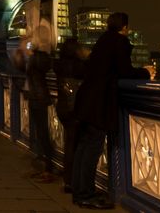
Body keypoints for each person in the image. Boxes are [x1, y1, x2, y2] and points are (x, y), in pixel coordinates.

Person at [70, 12, 151, 209]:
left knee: (83, 146)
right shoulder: (119, 41)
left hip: (86, 100)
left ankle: (78, 190)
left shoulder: (102, 41)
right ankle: (86, 195)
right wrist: (146, 72)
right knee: (92, 148)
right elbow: (125, 71)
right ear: (124, 27)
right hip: (99, 103)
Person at [54, 37, 88, 192]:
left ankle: (68, 179)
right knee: (76, 145)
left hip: (62, 108)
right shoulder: (79, 67)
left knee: (70, 143)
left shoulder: (58, 65)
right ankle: (73, 181)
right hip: (75, 109)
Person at [25, 26, 56, 183]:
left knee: (42, 133)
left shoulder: (40, 56)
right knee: (40, 132)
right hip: (37, 96)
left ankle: (47, 167)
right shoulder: (41, 56)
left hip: (38, 97)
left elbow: (32, 70)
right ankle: (43, 165)